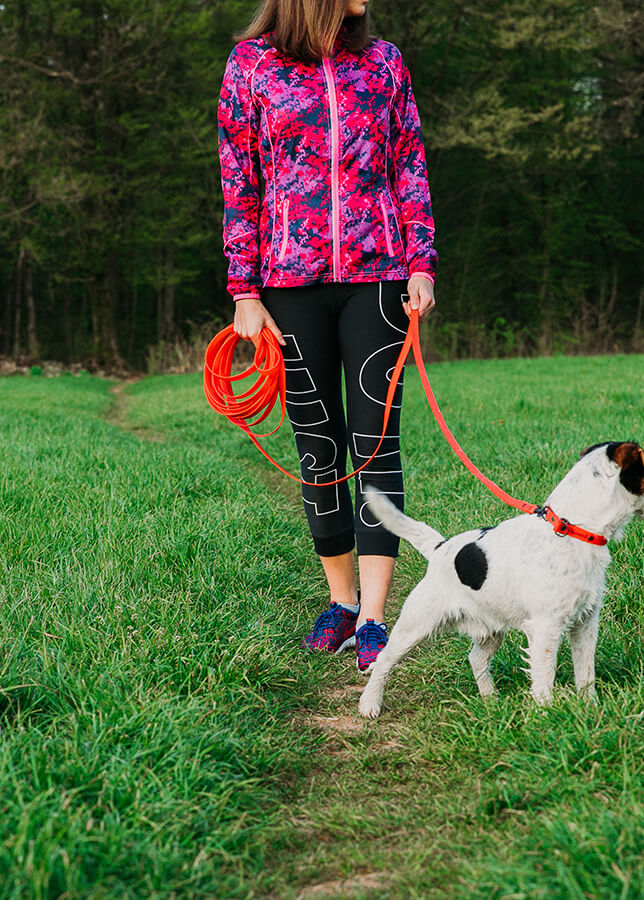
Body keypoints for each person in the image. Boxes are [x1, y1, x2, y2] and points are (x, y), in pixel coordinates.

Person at [218, 0, 437, 671]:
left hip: (380, 278)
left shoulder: (383, 62)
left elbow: (408, 163)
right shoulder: (251, 66)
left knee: (376, 444)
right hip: (288, 283)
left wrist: (422, 260)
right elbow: (239, 179)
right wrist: (245, 290)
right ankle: (340, 602)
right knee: (318, 443)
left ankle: (374, 616)